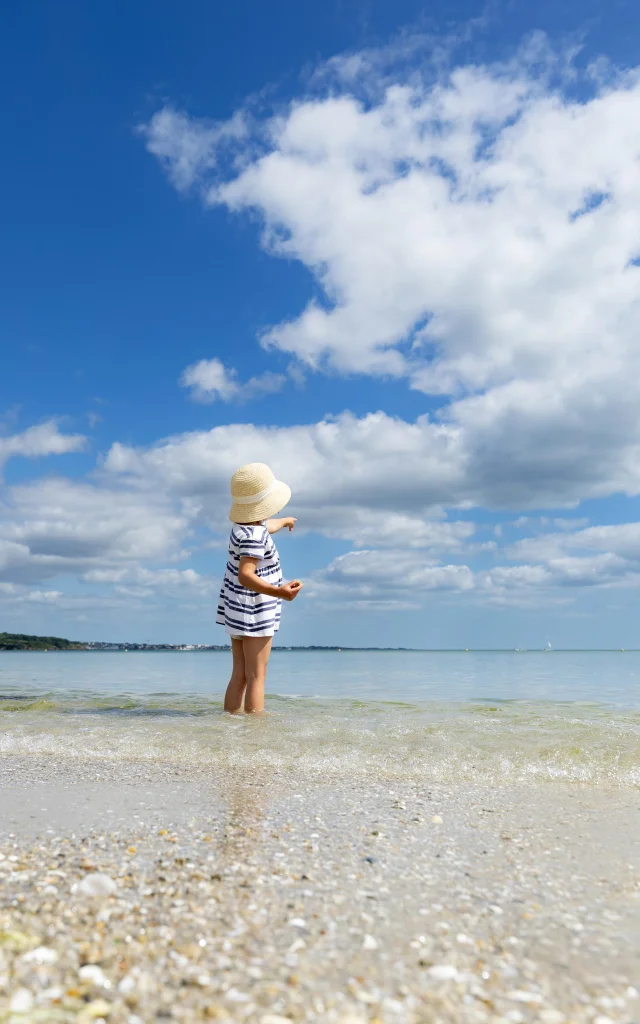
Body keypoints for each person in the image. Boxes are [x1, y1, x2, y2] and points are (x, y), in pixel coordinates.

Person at [217, 462, 302, 713]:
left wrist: (284, 521)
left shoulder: (243, 529)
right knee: (257, 676)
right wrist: (280, 592)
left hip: (236, 607)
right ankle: (255, 735)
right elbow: (246, 575)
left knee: (239, 675)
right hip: (256, 609)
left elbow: (266, 527)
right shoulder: (256, 536)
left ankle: (229, 724)